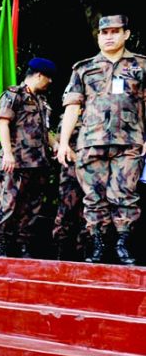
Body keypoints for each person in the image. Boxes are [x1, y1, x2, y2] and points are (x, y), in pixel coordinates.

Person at [58, 14, 146, 265]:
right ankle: (98, 244)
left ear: (126, 34)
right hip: (90, 142)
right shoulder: (83, 68)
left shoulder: (140, 66)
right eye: (104, 33)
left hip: (129, 142)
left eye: (115, 32)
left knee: (125, 195)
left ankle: (123, 245)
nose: (109, 37)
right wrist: (64, 142)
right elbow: (73, 107)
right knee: (93, 197)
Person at [0, 57, 55, 258]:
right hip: (16, 161)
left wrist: (59, 147)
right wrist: (8, 154)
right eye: (49, 78)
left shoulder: (42, 102)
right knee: (8, 203)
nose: (50, 82)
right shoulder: (14, 94)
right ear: (38, 75)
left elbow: (46, 132)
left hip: (38, 163)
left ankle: (23, 245)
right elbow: (3, 123)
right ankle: (1, 245)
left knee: (32, 207)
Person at [51, 111, 87, 260]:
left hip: (92, 175)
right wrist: (78, 159)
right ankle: (61, 251)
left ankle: (84, 252)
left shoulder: (97, 115)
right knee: (66, 213)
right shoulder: (70, 118)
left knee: (87, 215)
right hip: (72, 173)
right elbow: (61, 143)